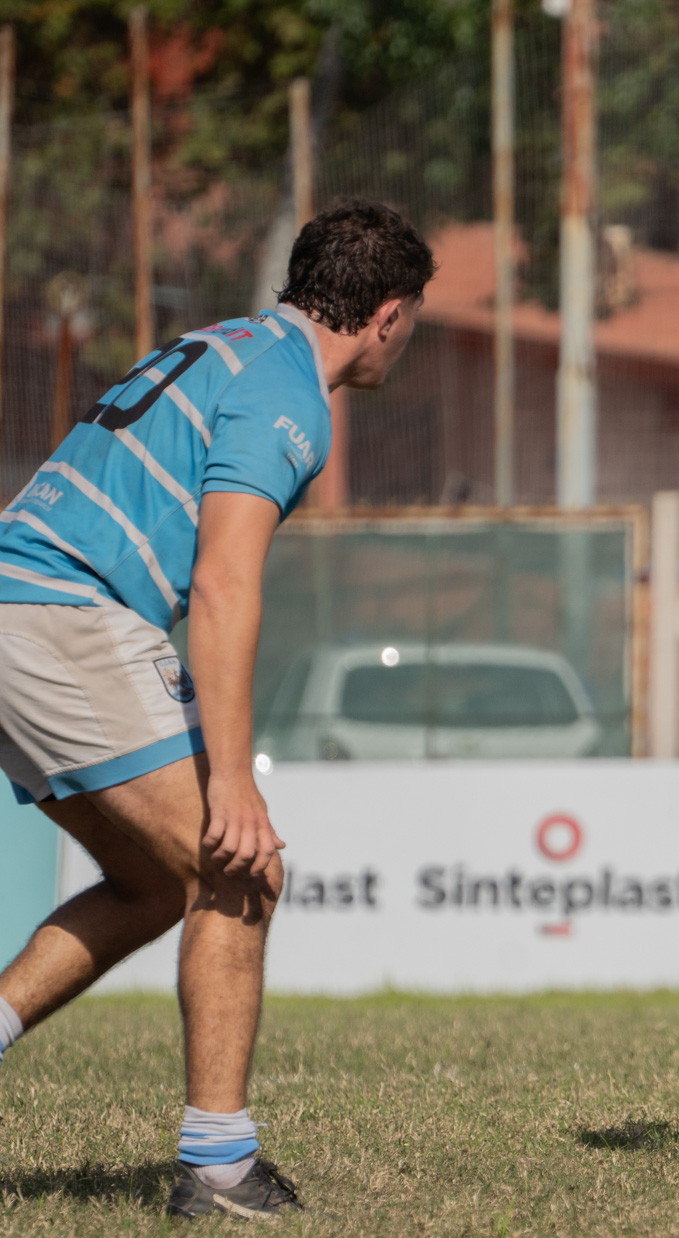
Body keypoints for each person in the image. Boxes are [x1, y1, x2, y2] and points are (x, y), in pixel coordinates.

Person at [0, 200, 434, 1218]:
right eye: (408, 322)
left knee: (154, 883)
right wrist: (233, 783)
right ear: (386, 315)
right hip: (65, 615)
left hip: (20, 607)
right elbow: (227, 585)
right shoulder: (290, 393)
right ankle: (220, 1166)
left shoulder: (220, 343)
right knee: (238, 865)